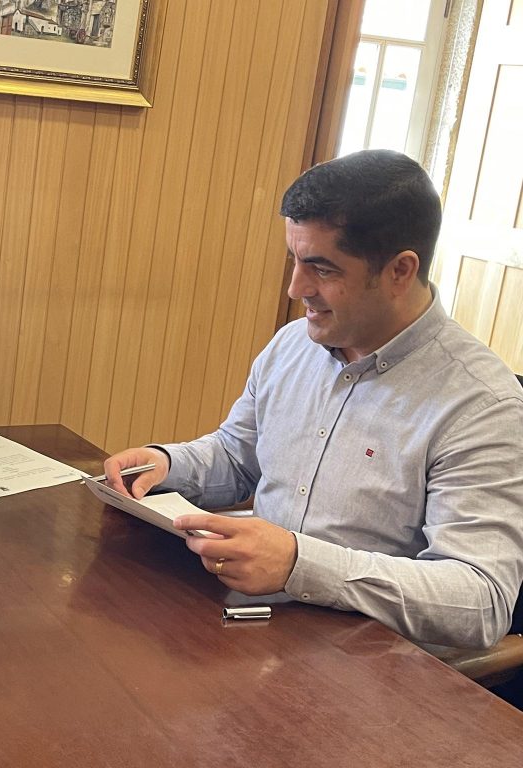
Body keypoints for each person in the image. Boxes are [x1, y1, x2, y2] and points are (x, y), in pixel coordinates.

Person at [103, 149, 523, 650]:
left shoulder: (481, 404)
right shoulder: (293, 345)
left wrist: (300, 565)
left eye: (322, 269)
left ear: (399, 271)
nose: (295, 288)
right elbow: (238, 455)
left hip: (370, 663)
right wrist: (166, 464)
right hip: (253, 627)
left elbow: (480, 601)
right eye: (295, 260)